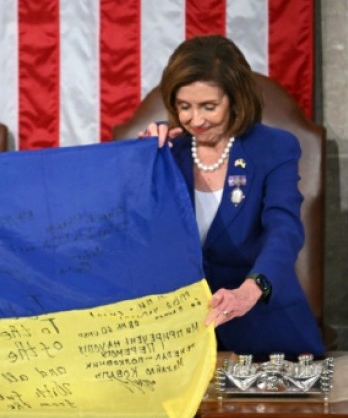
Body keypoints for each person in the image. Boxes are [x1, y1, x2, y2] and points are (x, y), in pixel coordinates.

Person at [139, 35, 324, 358]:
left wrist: (252, 290)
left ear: (236, 99)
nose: (196, 120)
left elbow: (284, 229)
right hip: (180, 336)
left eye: (209, 107)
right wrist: (140, 162)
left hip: (263, 326)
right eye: (184, 107)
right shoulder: (165, 151)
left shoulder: (274, 147)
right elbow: (134, 235)